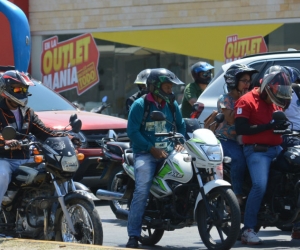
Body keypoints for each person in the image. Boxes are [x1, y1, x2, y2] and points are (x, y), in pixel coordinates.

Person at [0, 70, 80, 207]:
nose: (22, 92)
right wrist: (5, 141)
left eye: (24, 89)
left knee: (52, 171)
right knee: (2, 176)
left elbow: (45, 132)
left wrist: (67, 137)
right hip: (5, 159)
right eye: (18, 88)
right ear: (6, 89)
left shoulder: (28, 112)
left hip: (26, 158)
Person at [126, 68, 186, 248]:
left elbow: (181, 126)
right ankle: (133, 235)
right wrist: (150, 149)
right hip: (145, 154)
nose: (170, 90)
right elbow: (132, 132)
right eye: (167, 87)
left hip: (169, 152)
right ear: (156, 87)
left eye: (171, 87)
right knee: (142, 189)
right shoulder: (139, 105)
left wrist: (179, 141)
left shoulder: (172, 104)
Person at [234, 68, 292, 245]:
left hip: (277, 148)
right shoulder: (246, 101)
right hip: (257, 151)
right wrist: (268, 126)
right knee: (259, 185)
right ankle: (248, 229)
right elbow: (241, 129)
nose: (280, 94)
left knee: (293, 178)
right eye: (277, 90)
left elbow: (279, 123)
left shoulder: (275, 102)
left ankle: (295, 225)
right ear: (267, 87)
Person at [215, 64, 258, 205]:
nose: (247, 84)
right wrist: (243, 100)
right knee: (238, 158)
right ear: (234, 82)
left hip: (246, 139)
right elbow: (231, 119)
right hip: (226, 140)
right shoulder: (224, 99)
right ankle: (237, 194)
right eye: (244, 81)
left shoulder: (252, 97)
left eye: (249, 81)